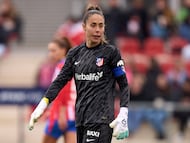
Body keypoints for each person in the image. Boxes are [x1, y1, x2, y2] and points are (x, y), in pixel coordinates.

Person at [29, 4, 130, 143]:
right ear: (84, 27)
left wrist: (124, 112)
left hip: (101, 120)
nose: (97, 30)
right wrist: (43, 104)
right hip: (81, 120)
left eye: (101, 26)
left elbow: (124, 85)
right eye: (93, 25)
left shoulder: (111, 53)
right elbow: (59, 82)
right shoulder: (75, 54)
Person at [42, 37, 77, 143]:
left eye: (53, 50)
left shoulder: (62, 66)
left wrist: (61, 113)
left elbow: (63, 90)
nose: (50, 54)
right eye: (49, 51)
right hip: (73, 115)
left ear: (63, 50)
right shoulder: (72, 64)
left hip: (59, 115)